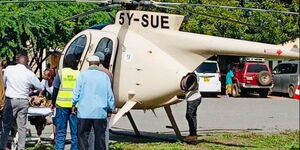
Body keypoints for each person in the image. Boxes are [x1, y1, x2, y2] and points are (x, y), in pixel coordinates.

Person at [0, 55, 43, 150]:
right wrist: (29, 85)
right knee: (21, 127)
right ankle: (21, 148)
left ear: (17, 61)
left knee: (6, 125)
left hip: (11, 100)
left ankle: (2, 146)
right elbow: (40, 87)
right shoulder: (29, 73)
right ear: (26, 62)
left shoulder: (9, 69)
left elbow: (4, 81)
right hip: (23, 101)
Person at [72, 55, 115, 150]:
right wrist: (111, 107)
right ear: (98, 64)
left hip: (84, 111)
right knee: (100, 137)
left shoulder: (82, 75)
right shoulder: (104, 76)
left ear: (89, 64)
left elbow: (76, 92)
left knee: (82, 136)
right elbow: (109, 94)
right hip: (100, 112)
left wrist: (74, 104)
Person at [52, 57, 80, 150]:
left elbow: (55, 89)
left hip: (61, 105)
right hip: (74, 107)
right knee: (75, 134)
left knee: (60, 132)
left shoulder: (61, 73)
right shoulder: (79, 73)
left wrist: (53, 102)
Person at [88, 52, 114, 150]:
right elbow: (110, 91)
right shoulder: (108, 73)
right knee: (105, 130)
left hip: (92, 106)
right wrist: (111, 107)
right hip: (104, 106)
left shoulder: (89, 73)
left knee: (92, 131)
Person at [181, 72, 202, 142]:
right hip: (197, 97)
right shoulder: (194, 74)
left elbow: (191, 85)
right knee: (193, 115)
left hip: (193, 99)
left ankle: (192, 135)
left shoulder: (192, 75)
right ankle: (193, 134)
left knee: (189, 115)